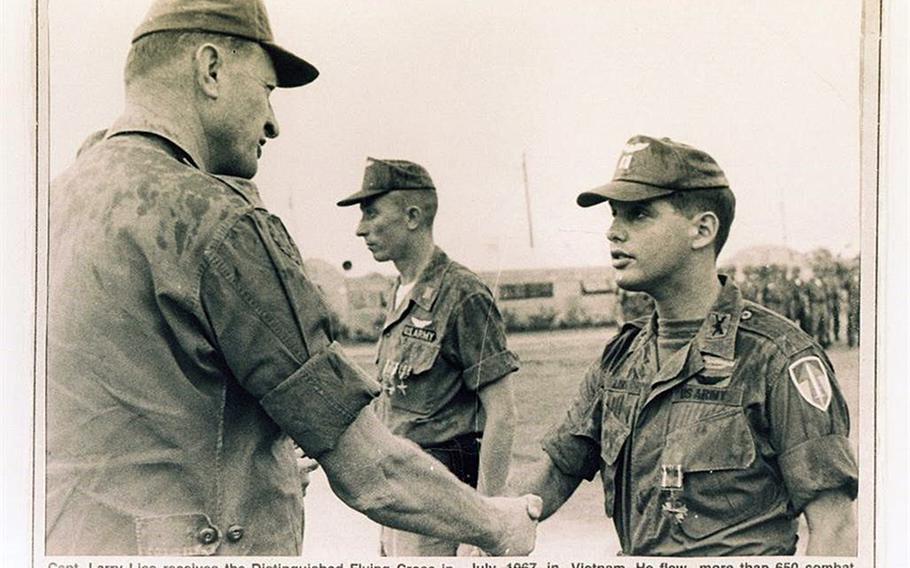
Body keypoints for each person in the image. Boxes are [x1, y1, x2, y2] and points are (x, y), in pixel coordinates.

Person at [46, 0, 541, 556]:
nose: (273, 123)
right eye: (266, 89)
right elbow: (370, 471)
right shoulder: (219, 221)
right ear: (210, 69)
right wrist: (497, 524)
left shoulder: (47, 207)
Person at [509, 135, 858, 556]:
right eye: (615, 215)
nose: (613, 231)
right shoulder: (621, 358)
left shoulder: (777, 356)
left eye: (638, 215)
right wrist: (485, 522)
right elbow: (557, 468)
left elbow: (835, 528)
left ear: (702, 230)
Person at [337, 158, 519, 556]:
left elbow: (502, 414)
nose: (360, 227)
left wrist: (484, 522)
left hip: (445, 506)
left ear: (413, 216)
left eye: (371, 212)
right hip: (401, 500)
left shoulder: (463, 294)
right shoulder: (400, 292)